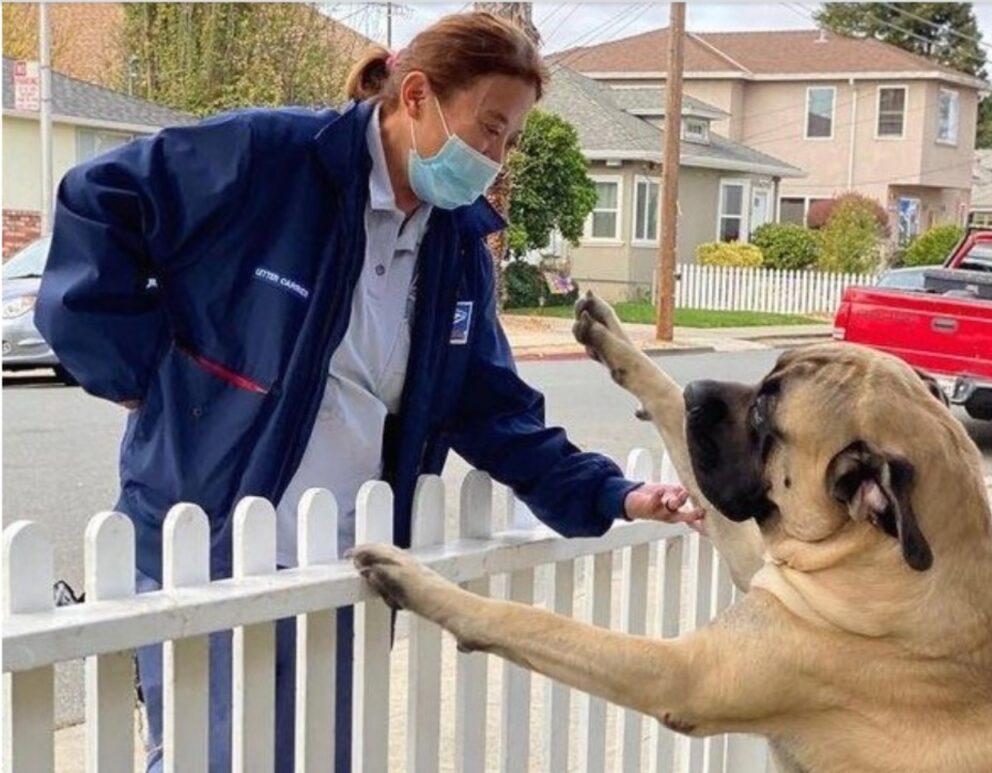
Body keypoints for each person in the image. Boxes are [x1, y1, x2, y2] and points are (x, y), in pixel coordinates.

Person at [35, 11, 702, 773]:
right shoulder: (269, 160)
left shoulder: (455, 248)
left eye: (510, 140)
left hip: (344, 567)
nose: (495, 158)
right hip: (209, 549)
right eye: (489, 129)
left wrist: (613, 493)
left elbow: (489, 410)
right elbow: (98, 199)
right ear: (416, 95)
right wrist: (139, 369)